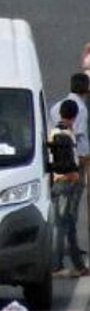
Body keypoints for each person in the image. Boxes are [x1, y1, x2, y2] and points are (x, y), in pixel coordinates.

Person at [50, 99, 89, 277]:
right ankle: (57, 265)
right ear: (74, 116)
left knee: (68, 224)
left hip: (58, 182)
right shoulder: (65, 134)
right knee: (63, 225)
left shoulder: (54, 131)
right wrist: (73, 174)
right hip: (65, 182)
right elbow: (67, 162)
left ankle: (79, 266)